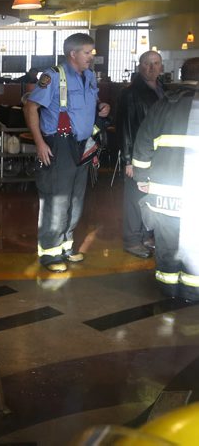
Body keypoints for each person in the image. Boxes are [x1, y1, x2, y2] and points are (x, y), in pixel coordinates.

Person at [24, 33, 110, 272]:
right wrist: (40, 143)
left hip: (83, 144)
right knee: (57, 199)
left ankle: (65, 246)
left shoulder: (90, 76)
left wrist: (102, 108)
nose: (91, 57)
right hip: (59, 144)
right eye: (87, 52)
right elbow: (31, 108)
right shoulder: (52, 76)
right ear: (73, 53)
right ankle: (49, 252)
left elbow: (89, 104)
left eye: (91, 52)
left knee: (75, 198)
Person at [132, 57, 199, 302]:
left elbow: (143, 144)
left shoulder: (163, 105)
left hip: (164, 193)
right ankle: (193, 290)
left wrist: (141, 177)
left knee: (167, 241)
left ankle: (168, 287)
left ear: (182, 75)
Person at [116, 51, 164, 258]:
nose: (152, 68)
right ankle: (132, 239)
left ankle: (145, 235)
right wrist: (128, 160)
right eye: (147, 64)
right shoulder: (131, 93)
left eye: (156, 63)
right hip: (137, 154)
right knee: (135, 199)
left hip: (157, 154)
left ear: (161, 66)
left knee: (149, 196)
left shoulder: (162, 90)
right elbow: (125, 127)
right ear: (139, 66)